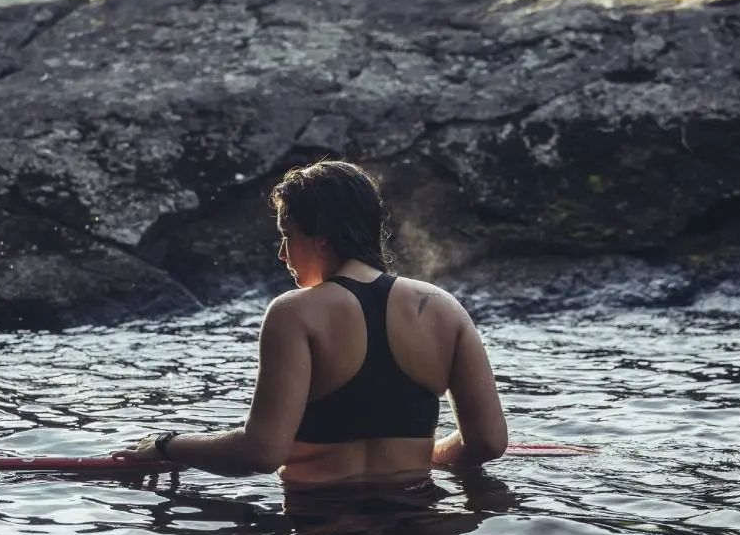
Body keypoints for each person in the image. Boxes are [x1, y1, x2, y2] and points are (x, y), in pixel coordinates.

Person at [111, 160, 508, 486]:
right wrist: (428, 455)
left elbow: (261, 452)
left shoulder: (294, 313)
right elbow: (488, 443)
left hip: (321, 522)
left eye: (288, 235)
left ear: (321, 238)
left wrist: (167, 444)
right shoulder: (442, 307)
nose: (283, 254)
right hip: (417, 520)